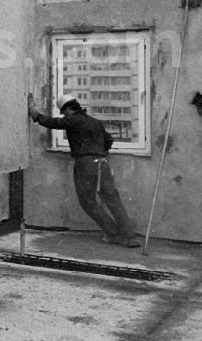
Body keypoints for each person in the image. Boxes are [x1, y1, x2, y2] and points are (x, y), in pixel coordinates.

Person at [28, 94, 140, 248]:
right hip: (103, 163)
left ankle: (113, 234)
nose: (64, 115)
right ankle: (130, 236)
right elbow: (109, 140)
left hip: (85, 164)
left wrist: (35, 114)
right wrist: (100, 152)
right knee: (112, 200)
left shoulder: (74, 120)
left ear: (68, 109)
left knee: (88, 202)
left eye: (64, 112)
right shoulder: (95, 122)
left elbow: (52, 122)